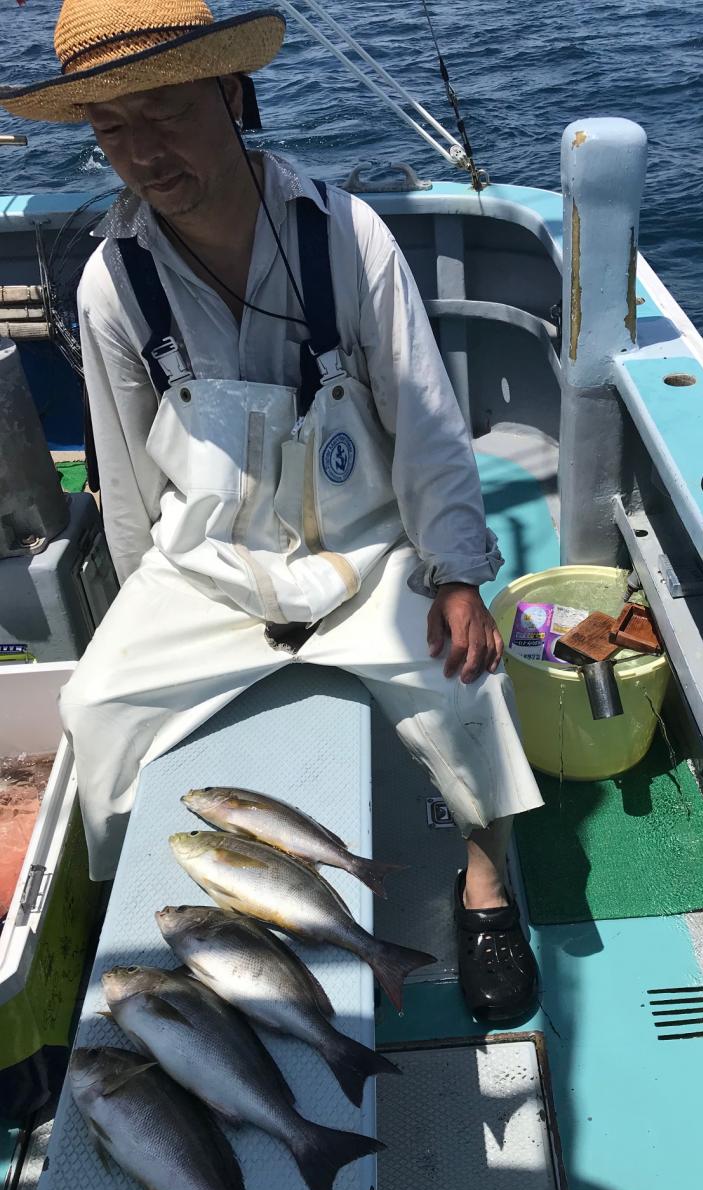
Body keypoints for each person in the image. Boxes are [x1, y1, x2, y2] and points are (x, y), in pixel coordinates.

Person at [0, 0, 543, 1021]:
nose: (142, 152)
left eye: (164, 111)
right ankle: (140, 917)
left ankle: (484, 887)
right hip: (209, 568)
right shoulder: (114, 282)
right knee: (95, 708)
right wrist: (136, 608)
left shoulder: (347, 238)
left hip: (367, 552)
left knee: (470, 689)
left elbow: (428, 425)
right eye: (112, 127)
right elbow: (129, 477)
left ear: (232, 93)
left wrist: (458, 574)